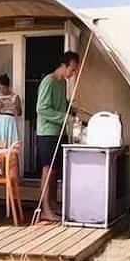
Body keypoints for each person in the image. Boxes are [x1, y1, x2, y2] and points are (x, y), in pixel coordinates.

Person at [35, 51, 80, 221]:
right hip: (47, 133)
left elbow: (61, 104)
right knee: (47, 170)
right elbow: (42, 108)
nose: (73, 74)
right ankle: (44, 209)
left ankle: (52, 203)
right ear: (64, 65)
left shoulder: (62, 84)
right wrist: (65, 117)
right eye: (72, 70)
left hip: (59, 132)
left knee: (54, 171)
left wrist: (71, 108)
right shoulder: (49, 81)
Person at [0, 73, 21, 147]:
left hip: (9, 122)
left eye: (2, 88)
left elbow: (19, 113)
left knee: (10, 144)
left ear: (7, 87)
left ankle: (9, 158)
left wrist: (15, 105)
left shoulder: (15, 97)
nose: (1, 90)